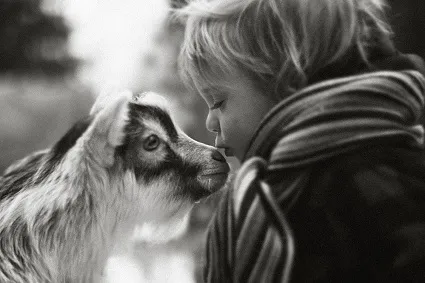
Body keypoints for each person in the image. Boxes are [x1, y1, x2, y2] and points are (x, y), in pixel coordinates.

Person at [175, 0, 425, 282]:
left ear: (286, 81)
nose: (210, 122)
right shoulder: (282, 192)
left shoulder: (364, 177)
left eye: (218, 101)